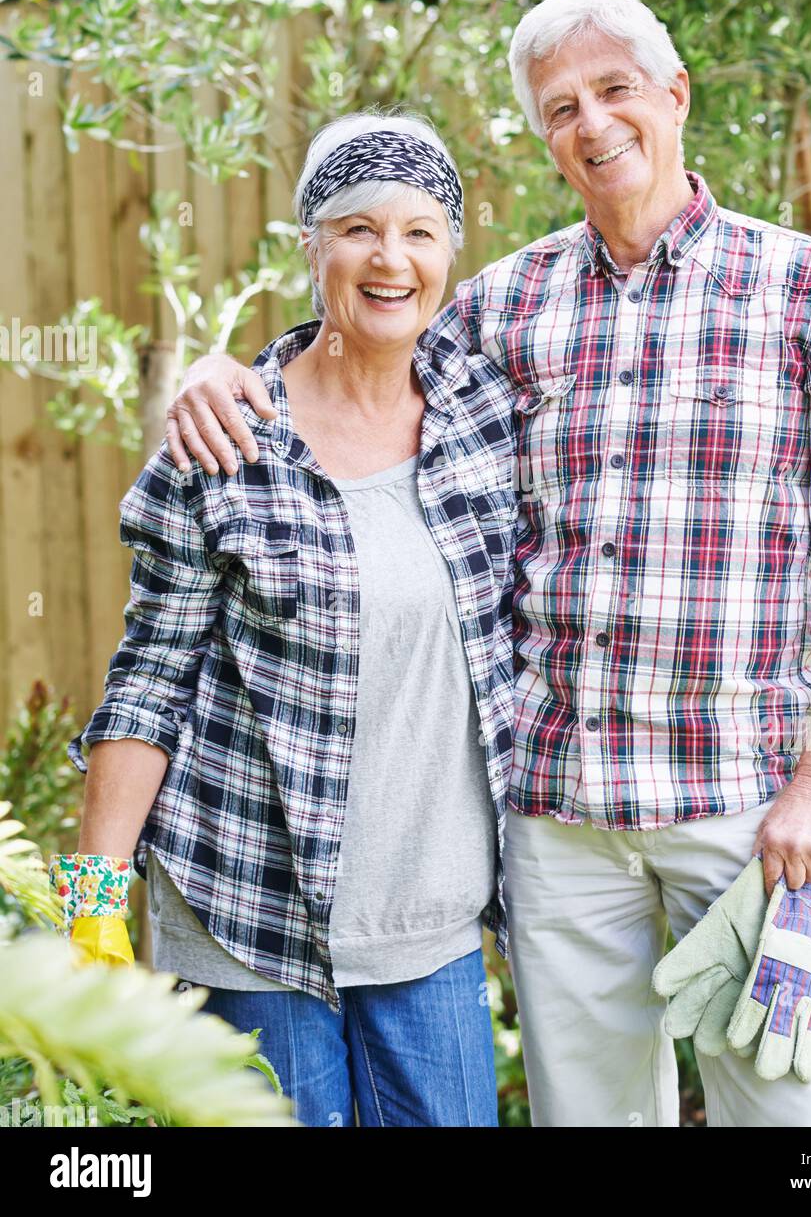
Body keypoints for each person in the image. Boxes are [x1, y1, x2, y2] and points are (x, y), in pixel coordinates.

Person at [163, 0, 811, 1127]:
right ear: (544, 136)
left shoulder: (809, 289)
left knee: (795, 1121)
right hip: (556, 815)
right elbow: (362, 358)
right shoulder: (503, 307)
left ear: (675, 96)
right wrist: (230, 375)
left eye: (615, 89)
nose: (593, 122)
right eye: (560, 106)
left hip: (753, 810)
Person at [56, 111, 519, 1127]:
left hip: (430, 926)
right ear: (309, 246)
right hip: (246, 915)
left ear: (451, 250)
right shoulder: (228, 439)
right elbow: (148, 678)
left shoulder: (491, 416)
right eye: (356, 228)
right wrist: (92, 897)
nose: (389, 258)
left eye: (419, 230)